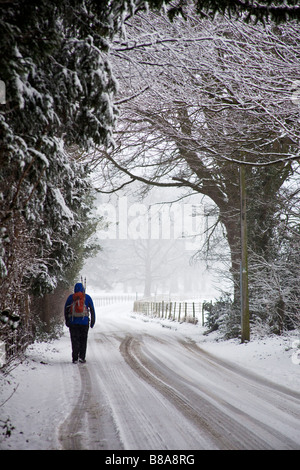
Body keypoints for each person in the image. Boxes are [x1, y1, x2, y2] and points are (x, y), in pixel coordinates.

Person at [64, 282, 96, 363]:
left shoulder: (71, 298)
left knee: (74, 340)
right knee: (83, 340)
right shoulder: (87, 297)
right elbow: (92, 310)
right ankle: (82, 357)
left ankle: (75, 358)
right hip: (84, 323)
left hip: (73, 323)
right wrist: (92, 321)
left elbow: (66, 310)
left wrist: (67, 321)